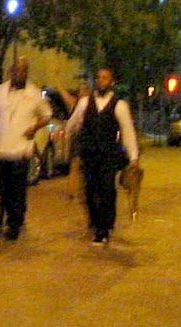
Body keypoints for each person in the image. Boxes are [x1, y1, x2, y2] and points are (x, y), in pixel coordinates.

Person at [66, 67, 140, 246]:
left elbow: (128, 132)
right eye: (99, 78)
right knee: (90, 191)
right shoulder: (85, 103)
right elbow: (73, 123)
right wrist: (72, 139)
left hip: (108, 155)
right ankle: (94, 222)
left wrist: (134, 158)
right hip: (89, 155)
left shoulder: (119, 105)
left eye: (105, 78)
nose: (101, 81)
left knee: (107, 190)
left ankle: (104, 228)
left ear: (112, 82)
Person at [0, 56, 52, 240]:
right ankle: (4, 216)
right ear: (10, 72)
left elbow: (47, 115)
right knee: (3, 187)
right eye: (17, 70)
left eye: (24, 70)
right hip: (2, 148)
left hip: (21, 149)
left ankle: (14, 224)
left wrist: (34, 128)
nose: (20, 74)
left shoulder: (34, 93)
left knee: (17, 188)